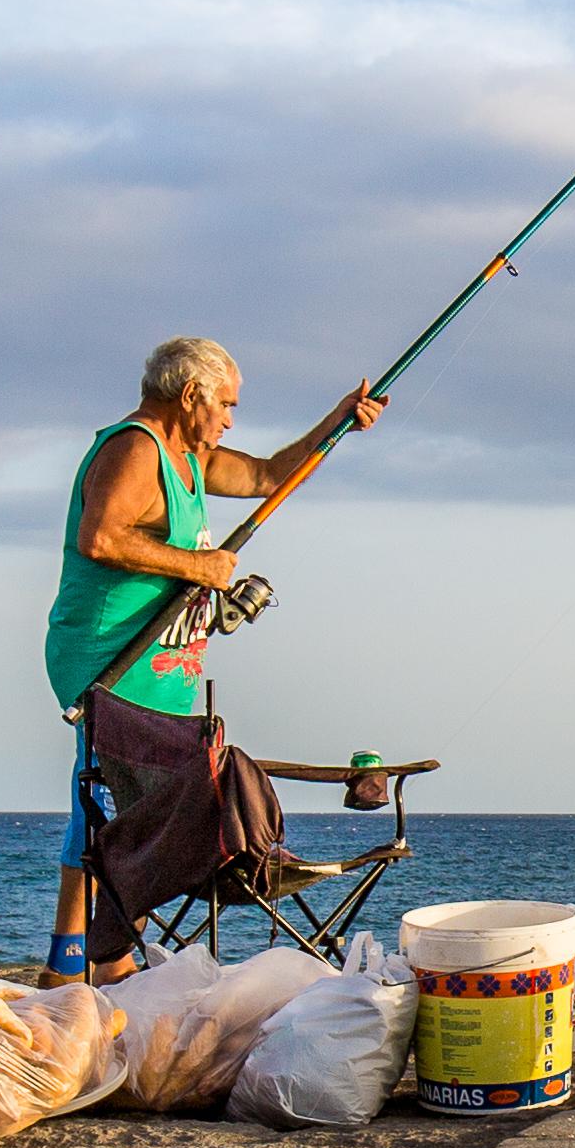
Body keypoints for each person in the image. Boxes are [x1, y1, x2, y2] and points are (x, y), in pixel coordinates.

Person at [41, 336, 385, 979]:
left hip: (159, 673)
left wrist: (339, 420)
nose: (230, 417)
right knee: (130, 820)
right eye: (225, 403)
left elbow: (264, 476)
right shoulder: (136, 449)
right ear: (190, 393)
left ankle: (73, 962)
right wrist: (200, 566)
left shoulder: (191, 459)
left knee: (102, 813)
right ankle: (103, 964)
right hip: (114, 665)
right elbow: (100, 536)